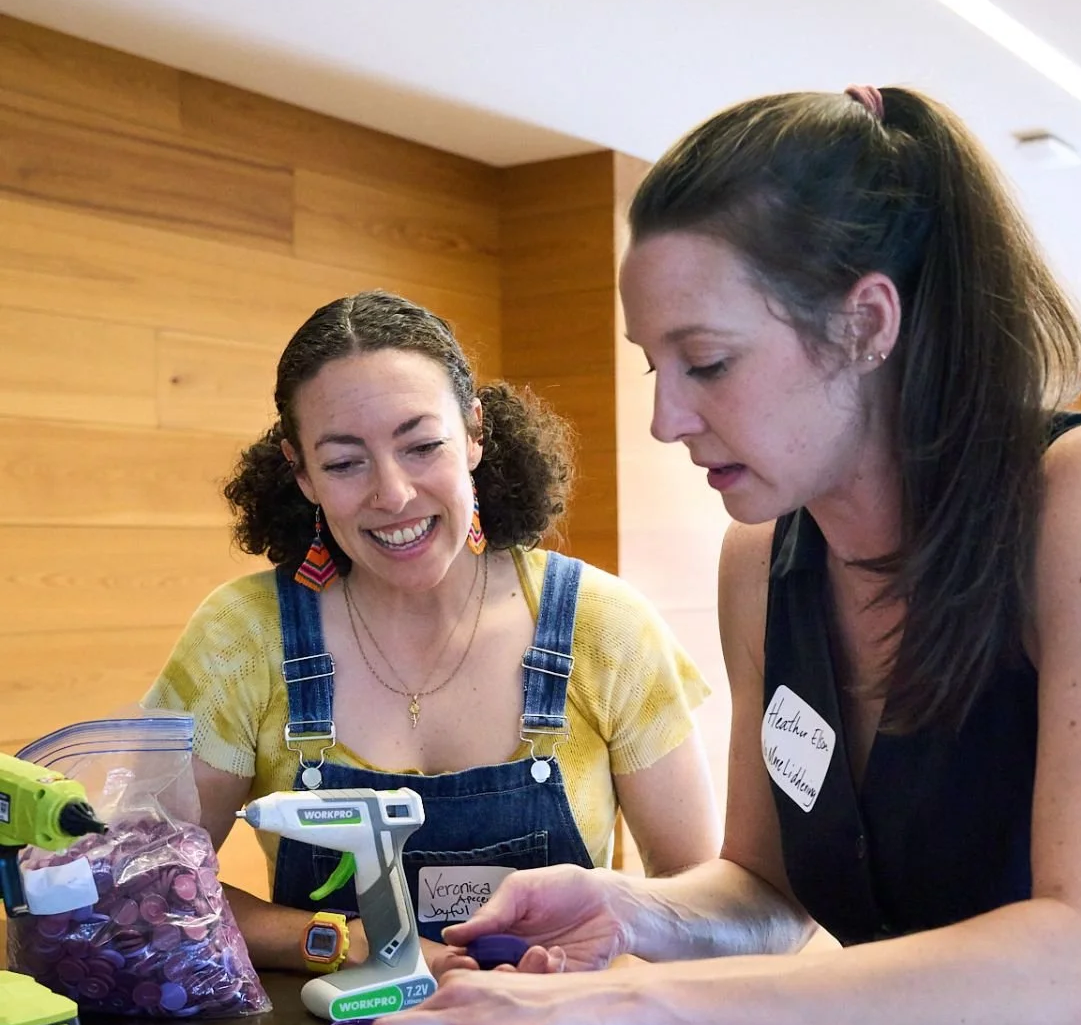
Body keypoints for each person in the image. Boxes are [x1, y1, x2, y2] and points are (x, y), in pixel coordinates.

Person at [363, 86, 1081, 1025]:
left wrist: (617, 1007)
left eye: (705, 362)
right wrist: (632, 909)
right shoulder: (759, 561)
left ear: (865, 322)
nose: (665, 418)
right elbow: (764, 892)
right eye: (653, 366)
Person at [145, 289, 719, 977]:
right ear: (301, 473)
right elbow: (157, 884)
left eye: (422, 446)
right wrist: (356, 945)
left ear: (475, 434)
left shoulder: (605, 626)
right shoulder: (242, 638)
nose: (393, 495)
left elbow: (700, 906)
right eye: (344, 462)